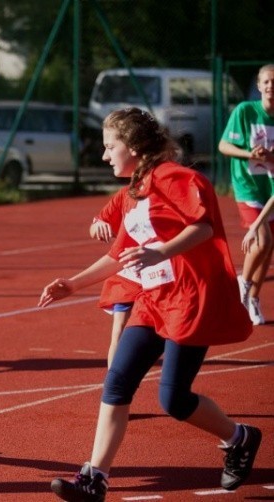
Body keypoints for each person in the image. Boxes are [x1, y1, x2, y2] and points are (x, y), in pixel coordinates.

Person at [39, 108, 260, 501]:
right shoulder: (133, 192)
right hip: (153, 298)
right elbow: (119, 255)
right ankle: (95, 477)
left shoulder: (174, 177)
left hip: (191, 298)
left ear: (135, 147)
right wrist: (72, 284)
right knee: (117, 381)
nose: (105, 155)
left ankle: (239, 437)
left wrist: (161, 252)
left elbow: (204, 226)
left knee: (173, 399)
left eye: (110, 147)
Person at [218, 63, 274, 325]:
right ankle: (243, 282)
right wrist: (248, 153)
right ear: (260, 85)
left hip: (271, 188)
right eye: (266, 82)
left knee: (268, 247)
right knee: (261, 241)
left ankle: (253, 297)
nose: (271, 87)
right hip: (247, 184)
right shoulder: (245, 111)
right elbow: (223, 145)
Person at [88, 185, 141, 367]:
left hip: (163, 275)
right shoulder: (126, 193)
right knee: (119, 328)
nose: (105, 157)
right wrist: (99, 225)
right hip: (128, 275)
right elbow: (95, 226)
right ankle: (113, 387)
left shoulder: (170, 193)